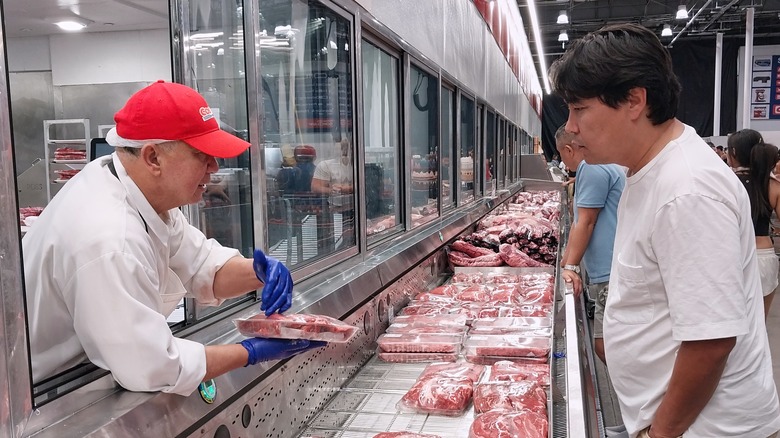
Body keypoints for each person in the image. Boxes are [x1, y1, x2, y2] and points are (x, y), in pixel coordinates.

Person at [551, 23, 780, 438]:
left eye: (579, 109)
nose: (572, 127)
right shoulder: (648, 171)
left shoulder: (687, 190)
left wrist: (660, 433)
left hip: (705, 429)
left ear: (635, 100)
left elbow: (711, 342)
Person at [23, 81, 325, 396]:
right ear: (153, 158)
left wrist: (258, 273)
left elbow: (200, 265)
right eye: (202, 155)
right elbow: (151, 367)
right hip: (49, 396)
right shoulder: (109, 236)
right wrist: (252, 351)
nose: (215, 167)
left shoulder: (138, 190)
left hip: (88, 374)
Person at [556, 125, 625, 365]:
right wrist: (566, 260)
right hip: (612, 266)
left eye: (561, 156)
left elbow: (586, 222)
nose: (563, 163)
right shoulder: (601, 164)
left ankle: (636, 398)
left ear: (568, 149)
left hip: (610, 270)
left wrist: (571, 267)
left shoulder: (592, 167)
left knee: (605, 345)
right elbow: (579, 220)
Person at [726, 129, 780, 319]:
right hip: (764, 256)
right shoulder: (772, 184)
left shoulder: (725, 183)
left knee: (732, 323)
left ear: (733, 153)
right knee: (759, 324)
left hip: (733, 256)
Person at [312, 138, 355, 246]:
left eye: (346, 149)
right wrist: (331, 190)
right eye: (340, 149)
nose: (343, 153)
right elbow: (315, 187)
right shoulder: (325, 165)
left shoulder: (357, 165)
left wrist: (344, 188)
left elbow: (365, 185)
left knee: (350, 240)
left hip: (354, 210)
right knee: (329, 241)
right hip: (332, 210)